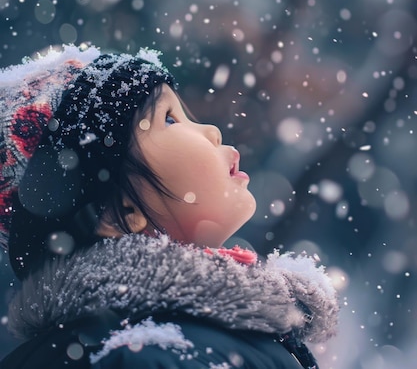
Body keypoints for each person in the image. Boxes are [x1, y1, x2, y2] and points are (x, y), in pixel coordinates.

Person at [0, 44, 339, 368]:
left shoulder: (177, 337)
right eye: (171, 119)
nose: (212, 132)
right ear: (122, 212)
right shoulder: (145, 355)